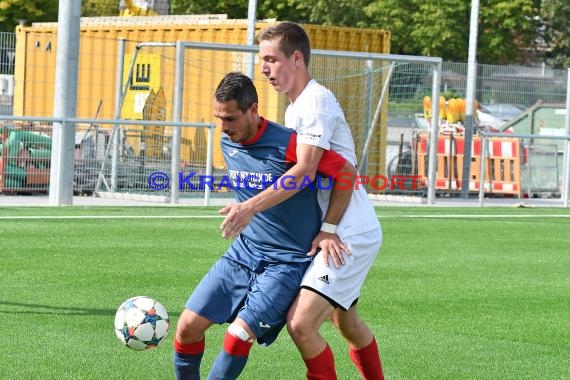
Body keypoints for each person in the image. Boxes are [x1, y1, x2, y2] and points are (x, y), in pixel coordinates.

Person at [219, 22, 385, 379]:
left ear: (296, 58)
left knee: (301, 324)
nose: (264, 68)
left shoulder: (314, 102)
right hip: (337, 230)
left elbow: (314, 171)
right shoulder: (295, 108)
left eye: (271, 59)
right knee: (348, 322)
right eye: (262, 60)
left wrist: (251, 208)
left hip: (347, 233)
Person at [173, 72, 357, 380]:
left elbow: (347, 174)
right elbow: (257, 185)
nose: (223, 127)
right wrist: (242, 206)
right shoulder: (226, 139)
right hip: (243, 253)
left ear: (253, 110)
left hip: (286, 263)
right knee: (187, 328)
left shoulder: (290, 144)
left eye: (230, 118)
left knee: (237, 336)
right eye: (218, 118)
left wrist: (329, 227)